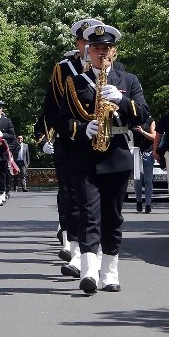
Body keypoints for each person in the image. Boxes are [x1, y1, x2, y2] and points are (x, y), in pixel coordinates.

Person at [58, 23, 149, 294]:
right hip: (86, 157)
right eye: (96, 48)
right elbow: (62, 122)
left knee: (113, 216)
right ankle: (88, 270)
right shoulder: (75, 82)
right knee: (89, 214)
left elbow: (143, 114)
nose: (101, 53)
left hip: (117, 155)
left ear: (114, 51)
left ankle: (110, 271)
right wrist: (81, 128)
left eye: (106, 48)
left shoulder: (128, 81)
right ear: (88, 51)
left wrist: (121, 101)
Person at [40, 18, 102, 275]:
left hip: (103, 145)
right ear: (77, 43)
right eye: (84, 41)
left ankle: (100, 255)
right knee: (74, 198)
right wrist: (71, 131)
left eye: (93, 42)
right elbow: (52, 110)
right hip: (72, 143)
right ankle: (77, 251)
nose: (88, 47)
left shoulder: (109, 69)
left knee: (101, 203)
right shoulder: (64, 69)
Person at [132, 116, 156, 214]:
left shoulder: (150, 120)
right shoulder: (132, 121)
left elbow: (154, 137)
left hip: (148, 152)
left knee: (148, 180)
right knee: (137, 179)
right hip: (136, 152)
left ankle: (148, 204)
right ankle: (138, 201)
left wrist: (142, 132)